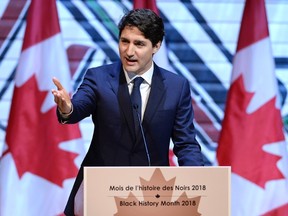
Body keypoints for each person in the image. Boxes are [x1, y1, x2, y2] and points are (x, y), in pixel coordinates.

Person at [52, 8, 204, 216]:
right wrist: (67, 108)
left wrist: (198, 185)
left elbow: (186, 143)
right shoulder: (99, 78)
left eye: (139, 44)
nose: (129, 51)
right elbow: (78, 107)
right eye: (125, 41)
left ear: (156, 46)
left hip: (152, 194)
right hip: (100, 191)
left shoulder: (176, 87)